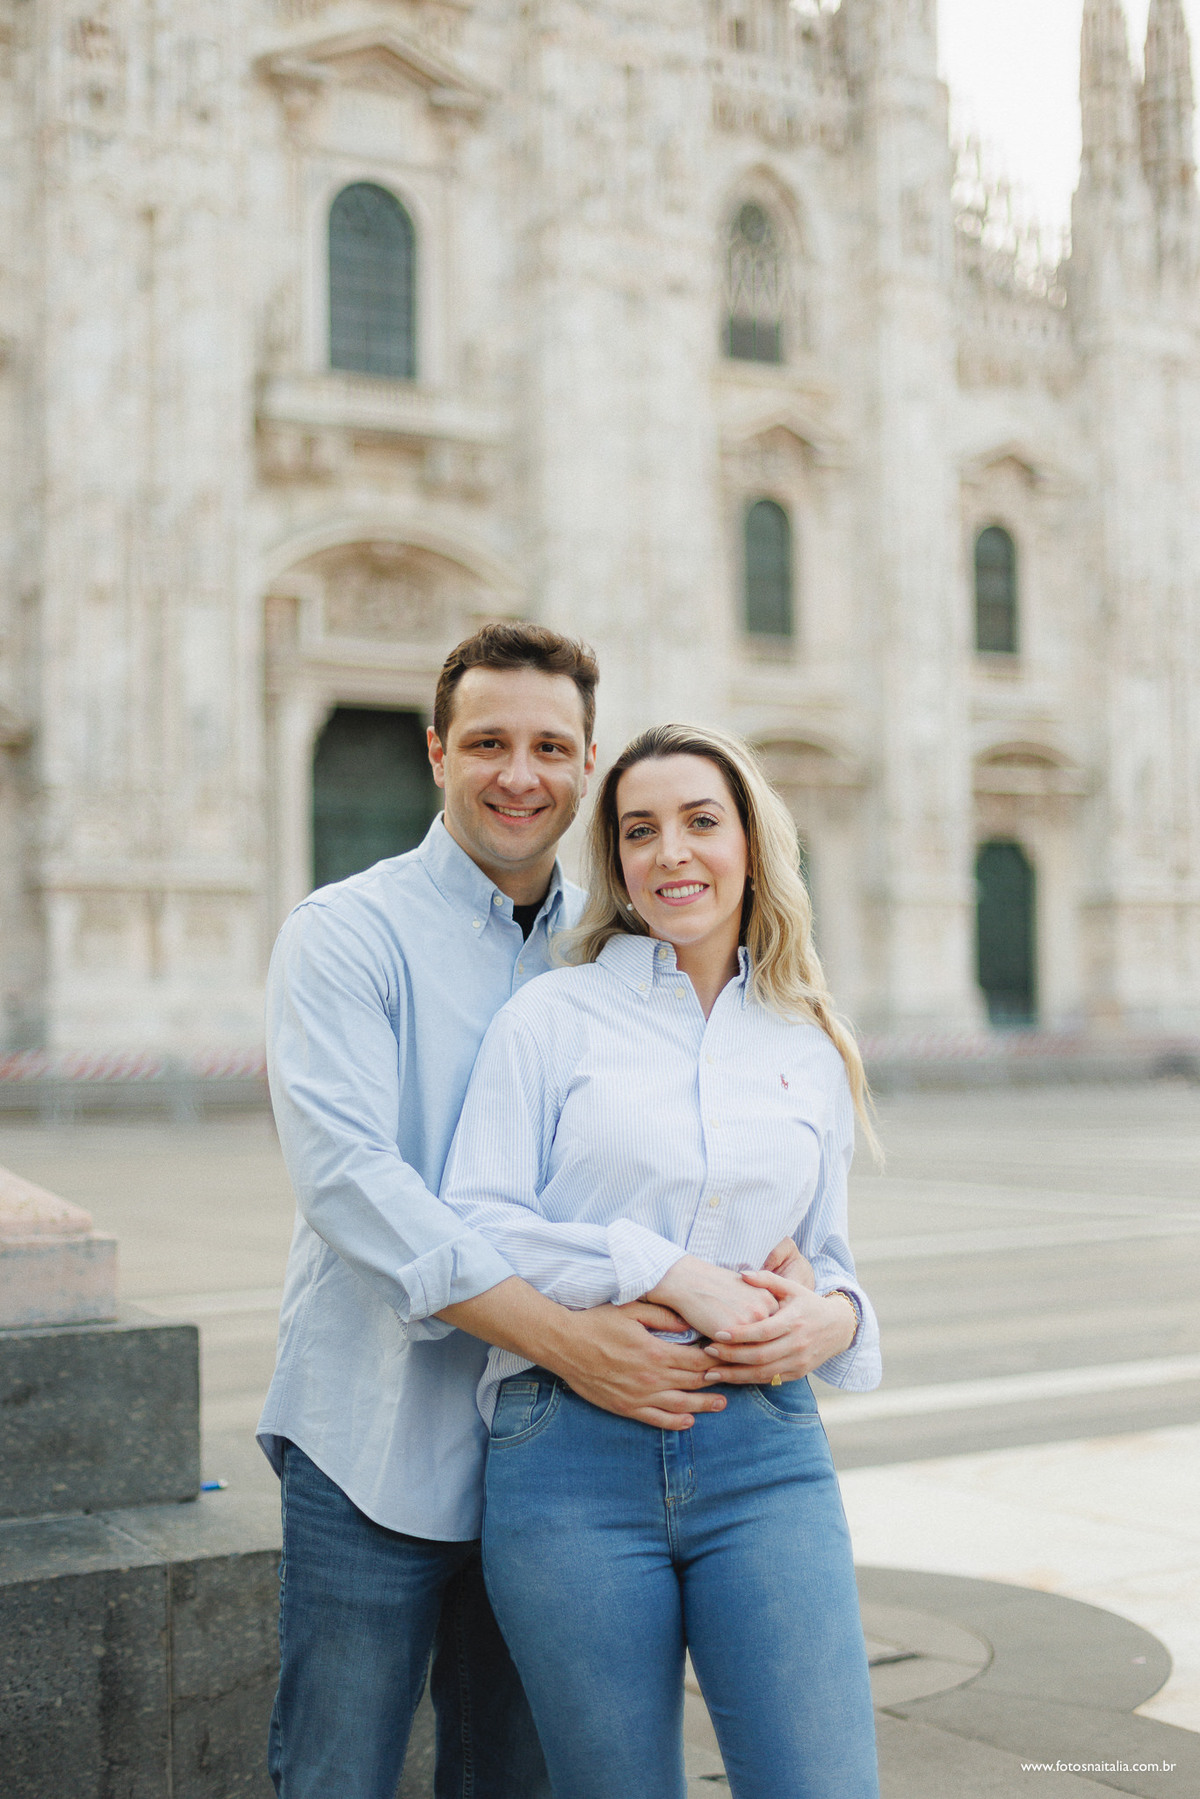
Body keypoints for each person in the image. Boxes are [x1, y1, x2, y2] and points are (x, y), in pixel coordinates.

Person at [257, 627, 809, 1799]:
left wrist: (802, 1282)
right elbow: (350, 1176)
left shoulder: (612, 946)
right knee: (337, 1770)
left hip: (559, 1466)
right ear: (435, 753)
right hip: (376, 1433)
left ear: (589, 761)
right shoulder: (346, 931)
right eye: (490, 742)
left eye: (552, 746)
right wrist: (562, 1333)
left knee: (512, 1775)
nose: (521, 774)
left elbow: (682, 1151)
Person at [440, 720, 883, 1799]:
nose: (671, 852)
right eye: (640, 830)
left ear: (752, 843)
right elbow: (471, 1220)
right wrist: (661, 1267)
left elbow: (824, 1251)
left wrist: (839, 1317)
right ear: (617, 859)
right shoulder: (552, 1015)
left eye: (700, 821)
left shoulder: (805, 1037)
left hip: (766, 1446)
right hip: (567, 1453)